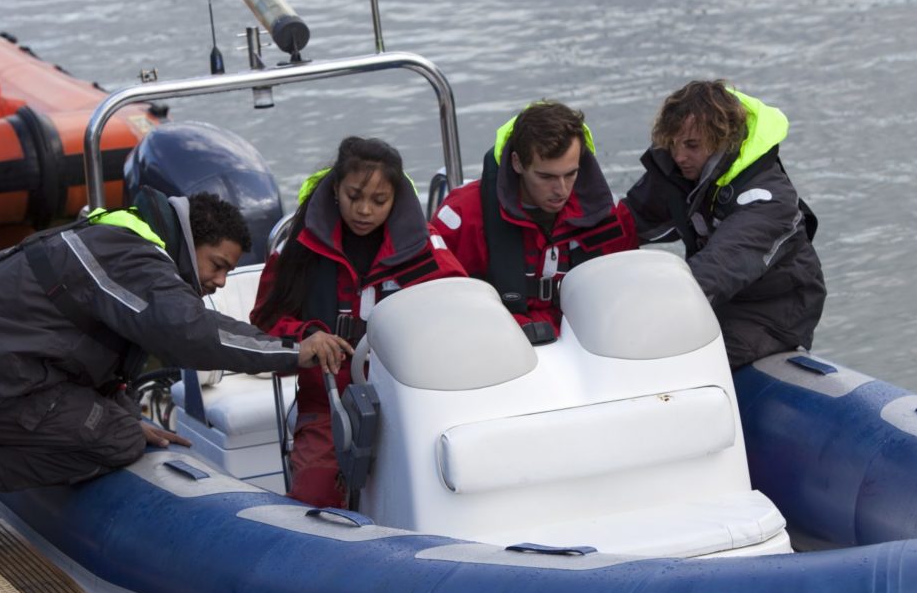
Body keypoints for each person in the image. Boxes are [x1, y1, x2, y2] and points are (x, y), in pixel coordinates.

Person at [0, 189, 351, 543]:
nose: (218, 283)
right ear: (190, 241)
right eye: (217, 266)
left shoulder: (118, 233)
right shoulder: (138, 261)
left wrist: (120, 410)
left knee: (119, 421)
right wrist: (294, 350)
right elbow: (192, 334)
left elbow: (94, 347)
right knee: (117, 441)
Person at [251, 136, 465, 508]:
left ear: (396, 199)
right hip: (327, 406)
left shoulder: (427, 251)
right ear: (335, 189)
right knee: (314, 498)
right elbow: (265, 324)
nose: (364, 210)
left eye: (379, 201)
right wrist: (306, 338)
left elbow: (460, 312)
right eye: (354, 196)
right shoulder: (297, 248)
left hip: (411, 405)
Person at [623, 80, 826, 369]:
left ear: (722, 139)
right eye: (674, 144)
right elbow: (626, 221)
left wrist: (651, 310)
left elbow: (718, 269)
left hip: (771, 315)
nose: (680, 156)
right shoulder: (683, 172)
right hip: (722, 304)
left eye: (692, 145)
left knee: (676, 361)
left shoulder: (768, 200)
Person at [429, 100, 638, 341]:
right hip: (498, 351)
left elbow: (627, 293)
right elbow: (440, 307)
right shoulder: (461, 217)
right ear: (517, 163)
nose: (561, 190)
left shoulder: (608, 213)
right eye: (546, 176)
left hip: (589, 349)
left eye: (571, 174)